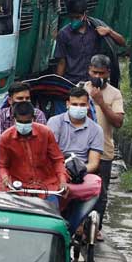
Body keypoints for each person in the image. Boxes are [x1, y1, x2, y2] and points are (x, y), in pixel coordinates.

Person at [46, 85, 107, 233]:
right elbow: (48, 153)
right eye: (74, 104)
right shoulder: (55, 122)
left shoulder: (95, 130)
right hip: (56, 169)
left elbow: (93, 162)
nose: (78, 108)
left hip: (81, 173)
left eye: (82, 105)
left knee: (99, 191)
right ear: (67, 104)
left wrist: (78, 171)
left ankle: (78, 224)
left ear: (87, 106)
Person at [0, 96, 67, 196]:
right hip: (18, 187)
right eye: (20, 122)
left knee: (53, 209)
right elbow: (3, 166)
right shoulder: (6, 138)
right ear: (14, 119)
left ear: (33, 119)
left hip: (47, 186)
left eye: (27, 122)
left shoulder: (46, 133)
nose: (23, 125)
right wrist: (5, 178)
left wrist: (62, 180)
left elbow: (57, 160)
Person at [52, 0, 126, 82]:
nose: (74, 20)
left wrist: (109, 32)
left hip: (94, 80)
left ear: (85, 14)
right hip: (73, 81)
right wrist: (58, 83)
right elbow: (61, 62)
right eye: (72, 18)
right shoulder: (64, 34)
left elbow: (122, 42)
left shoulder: (97, 27)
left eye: (77, 17)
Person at [85, 55, 126, 202]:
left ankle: (98, 224)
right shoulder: (80, 90)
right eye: (94, 72)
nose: (97, 76)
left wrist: (101, 102)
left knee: (100, 196)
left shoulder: (115, 94)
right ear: (89, 70)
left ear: (108, 73)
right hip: (81, 151)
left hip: (104, 152)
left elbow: (118, 122)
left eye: (101, 73)